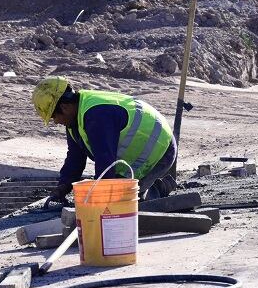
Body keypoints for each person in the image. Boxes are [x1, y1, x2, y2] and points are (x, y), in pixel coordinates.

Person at [31, 76, 178, 203]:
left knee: (124, 201)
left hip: (160, 150)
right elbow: (75, 159)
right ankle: (149, 186)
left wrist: (98, 198)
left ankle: (159, 188)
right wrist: (63, 187)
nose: (55, 122)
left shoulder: (97, 116)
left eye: (54, 117)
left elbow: (105, 161)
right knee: (115, 192)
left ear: (64, 107)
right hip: (140, 154)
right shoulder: (75, 119)